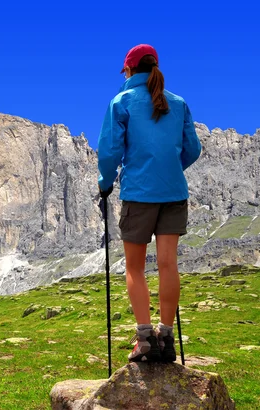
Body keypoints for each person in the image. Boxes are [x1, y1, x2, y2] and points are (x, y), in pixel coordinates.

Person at [97, 44, 202, 362]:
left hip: (139, 195)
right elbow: (193, 149)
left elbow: (109, 152)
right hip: (174, 194)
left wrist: (106, 184)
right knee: (169, 265)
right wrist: (169, 169)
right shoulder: (179, 103)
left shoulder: (121, 102)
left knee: (135, 267)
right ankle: (166, 339)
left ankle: (144, 341)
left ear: (129, 71)